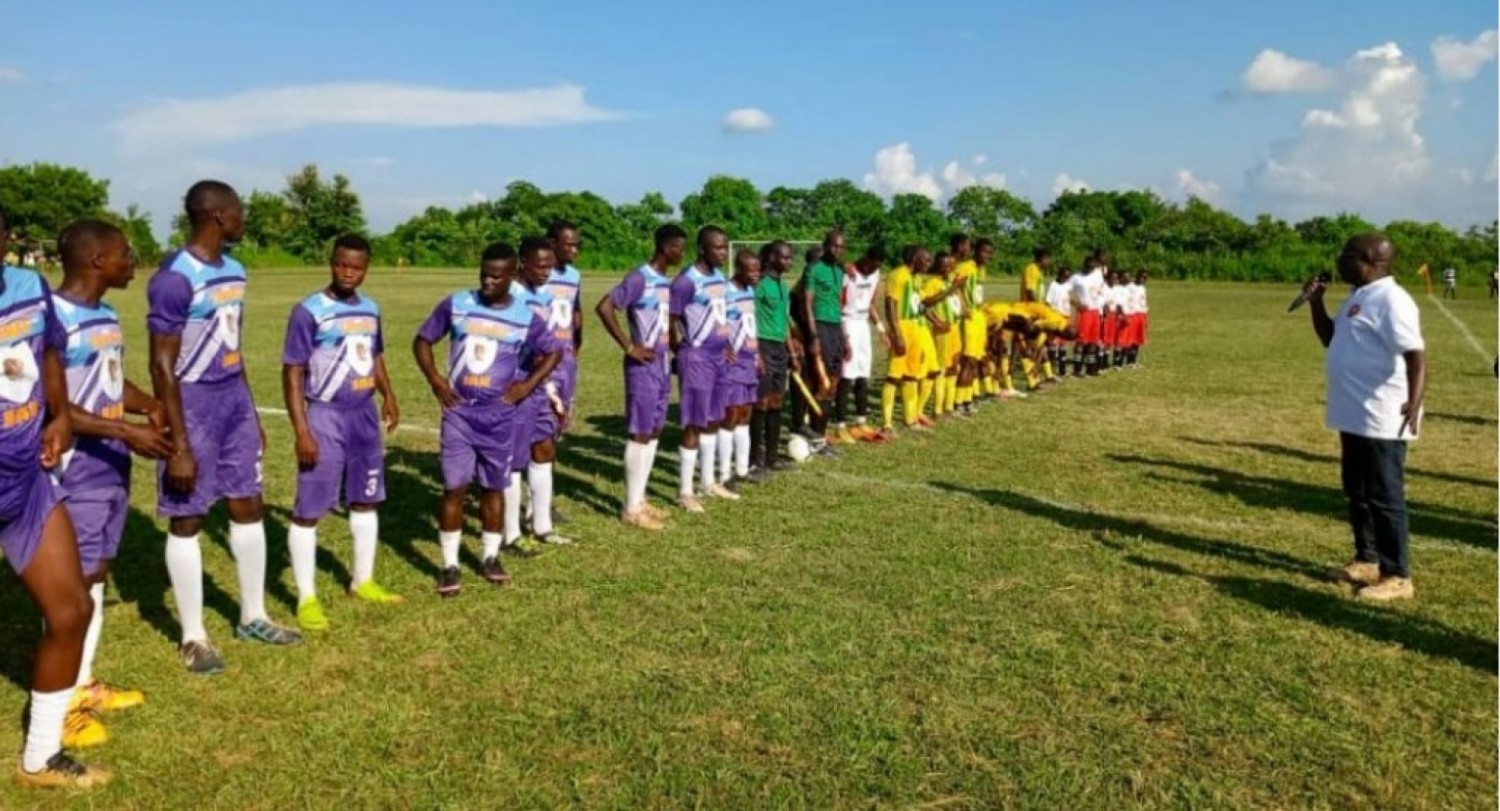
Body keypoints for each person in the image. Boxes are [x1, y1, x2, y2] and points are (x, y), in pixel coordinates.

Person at [149, 181, 300, 676]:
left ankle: (252, 615)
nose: (244, 218)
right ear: (217, 216)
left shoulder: (235, 270)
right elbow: (161, 365)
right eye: (239, 211)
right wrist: (179, 444)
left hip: (232, 398)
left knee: (248, 503)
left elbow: (231, 348)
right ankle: (193, 636)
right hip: (190, 403)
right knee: (189, 515)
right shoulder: (174, 277)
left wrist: (251, 413)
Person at [52, 221, 173, 750]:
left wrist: (146, 404)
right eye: (126, 254)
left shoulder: (103, 314)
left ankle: (83, 685)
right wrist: (126, 429)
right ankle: (60, 710)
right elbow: (53, 408)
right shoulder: (52, 321)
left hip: (110, 465)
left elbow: (107, 380)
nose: (134, 260)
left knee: (95, 575)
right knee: (70, 593)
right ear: (97, 259)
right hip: (72, 470)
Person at [0, 214, 107, 789]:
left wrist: (60, 415)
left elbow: (47, 352)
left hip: (27, 479)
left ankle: (40, 758)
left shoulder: (26, 287)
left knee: (71, 611)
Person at [413, 242, 562, 596]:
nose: (488, 282)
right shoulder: (458, 303)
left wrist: (526, 386)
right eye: (484, 274)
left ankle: (490, 557)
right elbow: (422, 340)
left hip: (499, 416)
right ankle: (449, 565)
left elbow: (554, 351)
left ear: (512, 277)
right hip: (460, 413)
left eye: (496, 276)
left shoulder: (525, 315)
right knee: (454, 487)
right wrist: (436, 381)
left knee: (494, 487)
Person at [281, 234, 403, 633]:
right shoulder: (309, 311)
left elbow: (375, 354)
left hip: (363, 416)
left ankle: (362, 580)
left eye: (356, 267)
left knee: (366, 500)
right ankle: (307, 597)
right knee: (309, 509)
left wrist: (388, 394)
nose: (348, 273)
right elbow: (293, 370)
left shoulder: (371, 309)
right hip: (326, 417)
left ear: (367, 267)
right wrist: (302, 429)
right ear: (331, 262)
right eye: (341, 265)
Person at [1305, 233, 1426, 602]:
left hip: (1382, 415)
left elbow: (1416, 356)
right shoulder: (1359, 296)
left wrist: (1414, 401)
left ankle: (1397, 575)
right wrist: (1317, 303)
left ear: (1368, 260)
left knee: (1384, 495)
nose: (1339, 261)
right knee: (1357, 490)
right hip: (1353, 413)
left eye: (1346, 255)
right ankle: (1367, 559)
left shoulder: (1393, 300)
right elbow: (1331, 337)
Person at [596, 224, 684, 529]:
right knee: (640, 432)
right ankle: (631, 508)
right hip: (643, 367)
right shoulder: (640, 277)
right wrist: (629, 345)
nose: (682, 254)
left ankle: (641, 499)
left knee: (654, 431)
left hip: (661, 364)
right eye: (679, 248)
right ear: (665, 247)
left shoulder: (664, 281)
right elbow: (605, 307)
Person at [503, 236, 577, 552]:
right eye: (540, 266)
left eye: (549, 266)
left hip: (541, 383)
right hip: (516, 383)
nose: (547, 272)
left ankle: (542, 524)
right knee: (514, 459)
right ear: (523, 263)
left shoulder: (542, 293)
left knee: (544, 448)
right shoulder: (511, 295)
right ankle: (509, 533)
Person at [669, 226, 736, 511]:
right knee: (694, 422)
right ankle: (685, 491)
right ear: (703, 249)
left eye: (725, 247)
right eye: (718, 248)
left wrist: (728, 343)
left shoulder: (720, 277)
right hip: (697, 357)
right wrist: (680, 350)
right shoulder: (686, 281)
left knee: (713, 419)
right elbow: (669, 318)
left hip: (719, 356)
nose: (723, 253)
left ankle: (708, 482)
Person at [749, 241, 799, 472]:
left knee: (778, 400)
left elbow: (785, 321)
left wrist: (791, 350)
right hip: (763, 345)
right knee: (761, 401)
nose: (788, 262)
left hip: (779, 348)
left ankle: (772, 456)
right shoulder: (760, 284)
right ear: (771, 257)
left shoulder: (783, 287)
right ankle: (753, 458)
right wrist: (756, 351)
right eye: (784, 257)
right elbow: (749, 317)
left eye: (790, 258)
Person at [798, 231, 848, 451]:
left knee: (833, 385)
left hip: (836, 329)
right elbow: (806, 303)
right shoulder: (813, 268)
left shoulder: (839, 270)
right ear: (825, 246)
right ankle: (816, 438)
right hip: (820, 327)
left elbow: (838, 304)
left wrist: (844, 338)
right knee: (822, 384)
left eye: (841, 247)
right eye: (834, 246)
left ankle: (821, 436)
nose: (837, 250)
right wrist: (814, 336)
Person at [880, 246, 936, 433]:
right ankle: (887, 424)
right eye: (926, 260)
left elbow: (922, 304)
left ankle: (910, 419)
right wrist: (896, 334)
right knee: (894, 376)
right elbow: (890, 306)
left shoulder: (917, 278)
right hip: (902, 327)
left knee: (911, 375)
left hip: (916, 328)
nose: (929, 264)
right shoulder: (898, 275)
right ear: (914, 258)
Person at [835, 246, 885, 441]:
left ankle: (861, 421)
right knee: (846, 375)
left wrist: (880, 328)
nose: (874, 268)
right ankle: (840, 424)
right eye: (873, 264)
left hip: (863, 325)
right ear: (865, 258)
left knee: (863, 374)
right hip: (847, 321)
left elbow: (870, 303)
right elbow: (839, 304)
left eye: (878, 266)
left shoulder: (875, 274)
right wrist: (843, 335)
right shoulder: (848, 273)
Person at [721, 250, 762, 483]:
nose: (756, 274)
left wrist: (758, 355)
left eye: (758, 269)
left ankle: (742, 469)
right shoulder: (726, 291)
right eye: (752, 270)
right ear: (738, 269)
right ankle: (725, 472)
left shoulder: (749, 290)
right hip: (734, 363)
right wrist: (723, 346)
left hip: (750, 360)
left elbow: (750, 324)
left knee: (746, 413)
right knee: (731, 414)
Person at [1069, 254, 1108, 376]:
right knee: (1081, 341)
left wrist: (1104, 304)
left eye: (1092, 267)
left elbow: (1103, 290)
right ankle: (1077, 370)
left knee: (1093, 341)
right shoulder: (1076, 277)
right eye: (1088, 267)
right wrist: (1076, 303)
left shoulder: (1097, 274)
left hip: (1095, 312)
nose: (1090, 269)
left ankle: (1091, 369)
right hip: (1084, 313)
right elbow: (1065, 291)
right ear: (1084, 265)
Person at [1043, 266, 1074, 377]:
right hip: (1056, 317)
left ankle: (1062, 369)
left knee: (1063, 344)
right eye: (1064, 276)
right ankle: (1051, 368)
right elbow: (1048, 302)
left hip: (1066, 317)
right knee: (1052, 343)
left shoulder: (1069, 286)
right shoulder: (1053, 285)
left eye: (1068, 277)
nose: (1066, 278)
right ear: (1059, 274)